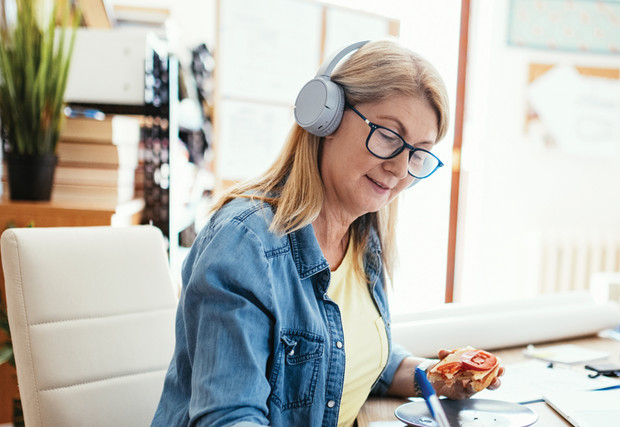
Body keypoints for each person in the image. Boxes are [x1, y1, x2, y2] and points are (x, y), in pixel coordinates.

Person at [151, 40, 503, 427]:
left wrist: (443, 378)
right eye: (388, 135)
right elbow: (229, 418)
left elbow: (356, 359)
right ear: (326, 117)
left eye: (418, 152)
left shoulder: (362, 235)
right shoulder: (245, 243)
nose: (401, 169)